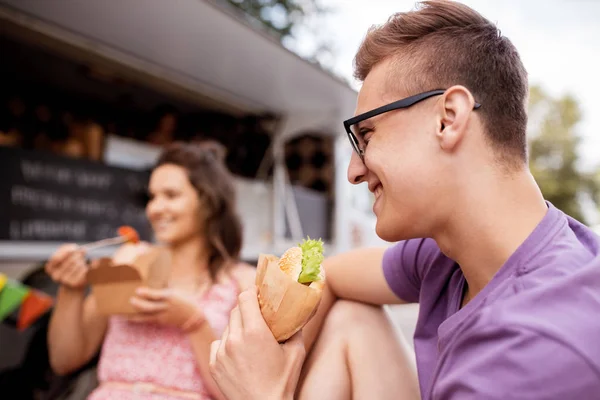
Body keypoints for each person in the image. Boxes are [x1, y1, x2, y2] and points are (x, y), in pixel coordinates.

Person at [208, 1, 600, 399]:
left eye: (367, 136)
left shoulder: (541, 348)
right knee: (353, 318)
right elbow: (332, 277)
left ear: (448, 118)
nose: (353, 172)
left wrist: (261, 392)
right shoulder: (446, 257)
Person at [45, 141, 255, 400]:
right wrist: (72, 289)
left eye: (171, 195)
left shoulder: (241, 282)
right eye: (152, 197)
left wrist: (192, 321)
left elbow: (243, 394)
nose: (154, 209)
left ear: (209, 202)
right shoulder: (130, 259)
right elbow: (65, 360)